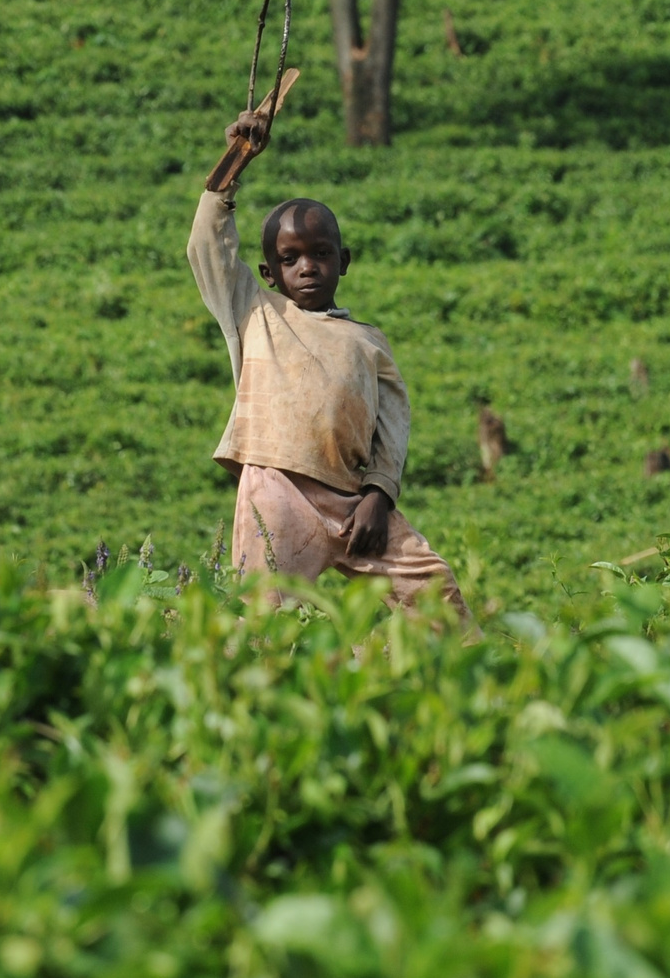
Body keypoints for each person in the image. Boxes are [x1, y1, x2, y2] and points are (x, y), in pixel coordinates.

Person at [187, 107, 467, 616]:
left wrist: (379, 495)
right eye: (289, 259)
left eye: (321, 254)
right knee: (266, 613)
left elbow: (393, 426)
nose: (307, 267)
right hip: (275, 489)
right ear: (269, 274)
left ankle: (436, 663)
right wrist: (235, 162)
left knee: (434, 591)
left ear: (344, 261)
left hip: (353, 500)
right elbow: (208, 245)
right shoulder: (254, 311)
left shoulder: (369, 342)